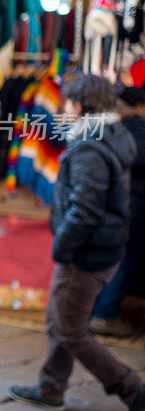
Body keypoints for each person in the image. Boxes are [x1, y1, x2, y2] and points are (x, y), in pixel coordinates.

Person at [9, 74, 145, 411]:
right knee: (60, 321)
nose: (62, 108)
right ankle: (50, 389)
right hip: (102, 247)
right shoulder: (112, 133)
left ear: (80, 106)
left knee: (70, 330)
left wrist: (62, 250)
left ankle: (133, 391)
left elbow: (84, 209)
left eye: (67, 102)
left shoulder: (91, 146)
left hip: (85, 254)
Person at [89, 86, 145, 338]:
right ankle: (104, 315)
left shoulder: (110, 132)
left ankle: (93, 312)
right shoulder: (139, 134)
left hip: (110, 208)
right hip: (134, 210)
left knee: (110, 261)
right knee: (124, 263)